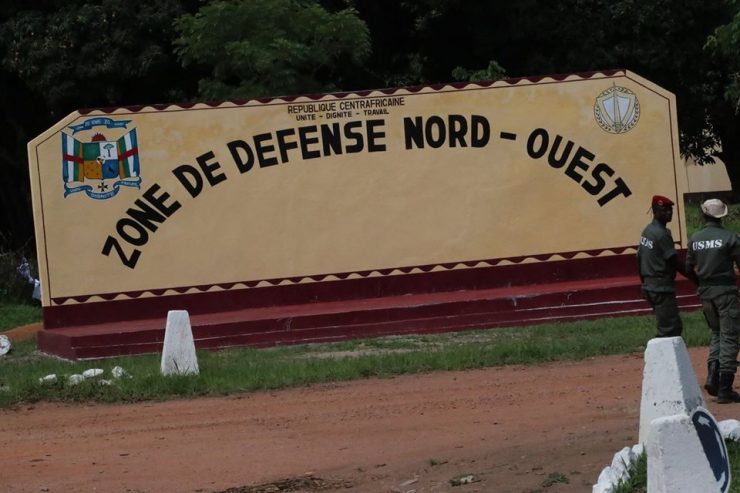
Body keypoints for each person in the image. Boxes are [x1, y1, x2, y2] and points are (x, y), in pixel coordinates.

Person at [686, 198, 740, 403]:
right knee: (729, 337)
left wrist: (701, 284)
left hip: (706, 293)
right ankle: (725, 388)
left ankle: (712, 377)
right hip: (726, 293)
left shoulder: (695, 239)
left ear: (704, 214)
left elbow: (689, 268)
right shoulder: (730, 238)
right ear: (722, 216)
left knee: (716, 334)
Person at [637, 195, 696, 338]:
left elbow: (639, 257)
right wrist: (696, 278)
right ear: (655, 211)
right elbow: (674, 262)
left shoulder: (648, 230)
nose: (669, 213)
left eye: (670, 210)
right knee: (670, 329)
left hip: (650, 286)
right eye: (664, 210)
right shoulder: (661, 234)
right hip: (661, 287)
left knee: (666, 325)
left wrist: (644, 283)